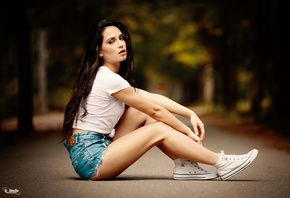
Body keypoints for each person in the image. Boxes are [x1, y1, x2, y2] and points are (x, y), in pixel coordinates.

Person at [61, 19, 258, 181]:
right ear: (100, 51)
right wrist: (187, 131)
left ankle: (184, 165)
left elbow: (153, 99)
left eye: (121, 38)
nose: (121, 44)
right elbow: (156, 111)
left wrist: (190, 113)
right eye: (111, 41)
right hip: (91, 159)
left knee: (141, 111)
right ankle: (221, 162)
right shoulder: (107, 77)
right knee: (159, 128)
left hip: (97, 146)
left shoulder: (108, 76)